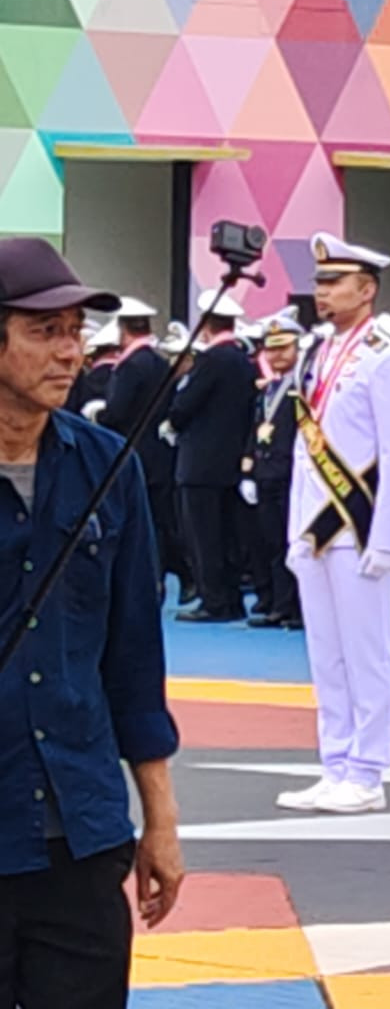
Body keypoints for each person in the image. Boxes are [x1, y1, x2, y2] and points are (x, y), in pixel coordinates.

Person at [0, 239, 183, 1004]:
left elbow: (134, 654)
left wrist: (160, 820)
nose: (70, 352)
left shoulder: (111, 466)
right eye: (44, 331)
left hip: (80, 832)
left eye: (76, 331)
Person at [276, 233, 390, 814]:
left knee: (367, 652)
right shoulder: (316, 352)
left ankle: (368, 769)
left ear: (368, 288)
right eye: (320, 283)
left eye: (335, 283)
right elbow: (303, 451)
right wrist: (293, 529)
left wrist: (389, 539)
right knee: (326, 654)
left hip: (359, 525)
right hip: (315, 523)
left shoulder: (385, 356)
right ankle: (335, 761)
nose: (324, 293)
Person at [168, 289, 256, 624]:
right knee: (227, 536)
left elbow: (184, 405)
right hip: (231, 461)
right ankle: (229, 598)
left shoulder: (211, 360)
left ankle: (214, 600)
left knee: (204, 537)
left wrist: (174, 419)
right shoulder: (241, 359)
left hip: (201, 464)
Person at [99, 297, 188, 599]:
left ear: (123, 330)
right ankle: (162, 578)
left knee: (135, 522)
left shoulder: (130, 366)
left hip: (129, 452)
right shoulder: (159, 362)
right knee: (159, 522)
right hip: (157, 452)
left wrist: (97, 414)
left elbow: (117, 413)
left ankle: (148, 582)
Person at [241, 313, 304, 630]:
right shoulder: (269, 388)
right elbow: (256, 429)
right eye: (271, 349)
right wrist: (248, 468)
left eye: (284, 348)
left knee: (291, 542)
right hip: (267, 472)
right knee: (271, 542)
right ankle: (278, 603)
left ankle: (293, 607)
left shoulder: (303, 386)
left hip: (291, 474)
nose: (277, 355)